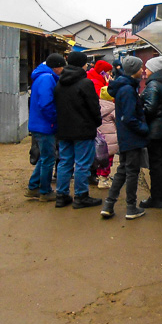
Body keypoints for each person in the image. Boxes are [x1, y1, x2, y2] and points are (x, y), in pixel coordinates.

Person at [101, 56, 150, 220]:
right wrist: (144, 129)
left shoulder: (123, 86)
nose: (143, 71)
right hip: (132, 137)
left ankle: (108, 204)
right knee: (132, 172)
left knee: (122, 170)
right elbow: (129, 117)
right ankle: (131, 207)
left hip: (125, 135)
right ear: (133, 71)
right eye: (140, 68)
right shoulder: (128, 90)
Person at [53, 51, 102, 209]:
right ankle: (81, 196)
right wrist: (97, 122)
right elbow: (94, 107)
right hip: (83, 129)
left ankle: (61, 196)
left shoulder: (60, 83)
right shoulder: (85, 83)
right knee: (82, 164)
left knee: (64, 162)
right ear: (82, 64)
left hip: (64, 129)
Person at [25, 53, 66, 202]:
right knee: (49, 158)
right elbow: (46, 104)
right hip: (45, 125)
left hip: (39, 124)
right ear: (56, 67)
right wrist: (55, 119)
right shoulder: (47, 78)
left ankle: (33, 187)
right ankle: (45, 191)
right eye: (62, 67)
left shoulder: (42, 76)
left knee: (45, 158)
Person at [140, 55, 162, 208]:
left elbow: (149, 109)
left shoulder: (153, 84)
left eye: (147, 67)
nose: (144, 70)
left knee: (155, 164)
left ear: (153, 69)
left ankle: (156, 198)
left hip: (155, 129)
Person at [96, 86, 118, 189]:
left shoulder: (97, 106)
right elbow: (118, 121)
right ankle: (104, 178)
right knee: (108, 160)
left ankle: (100, 176)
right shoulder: (112, 108)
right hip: (110, 139)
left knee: (100, 158)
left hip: (100, 137)